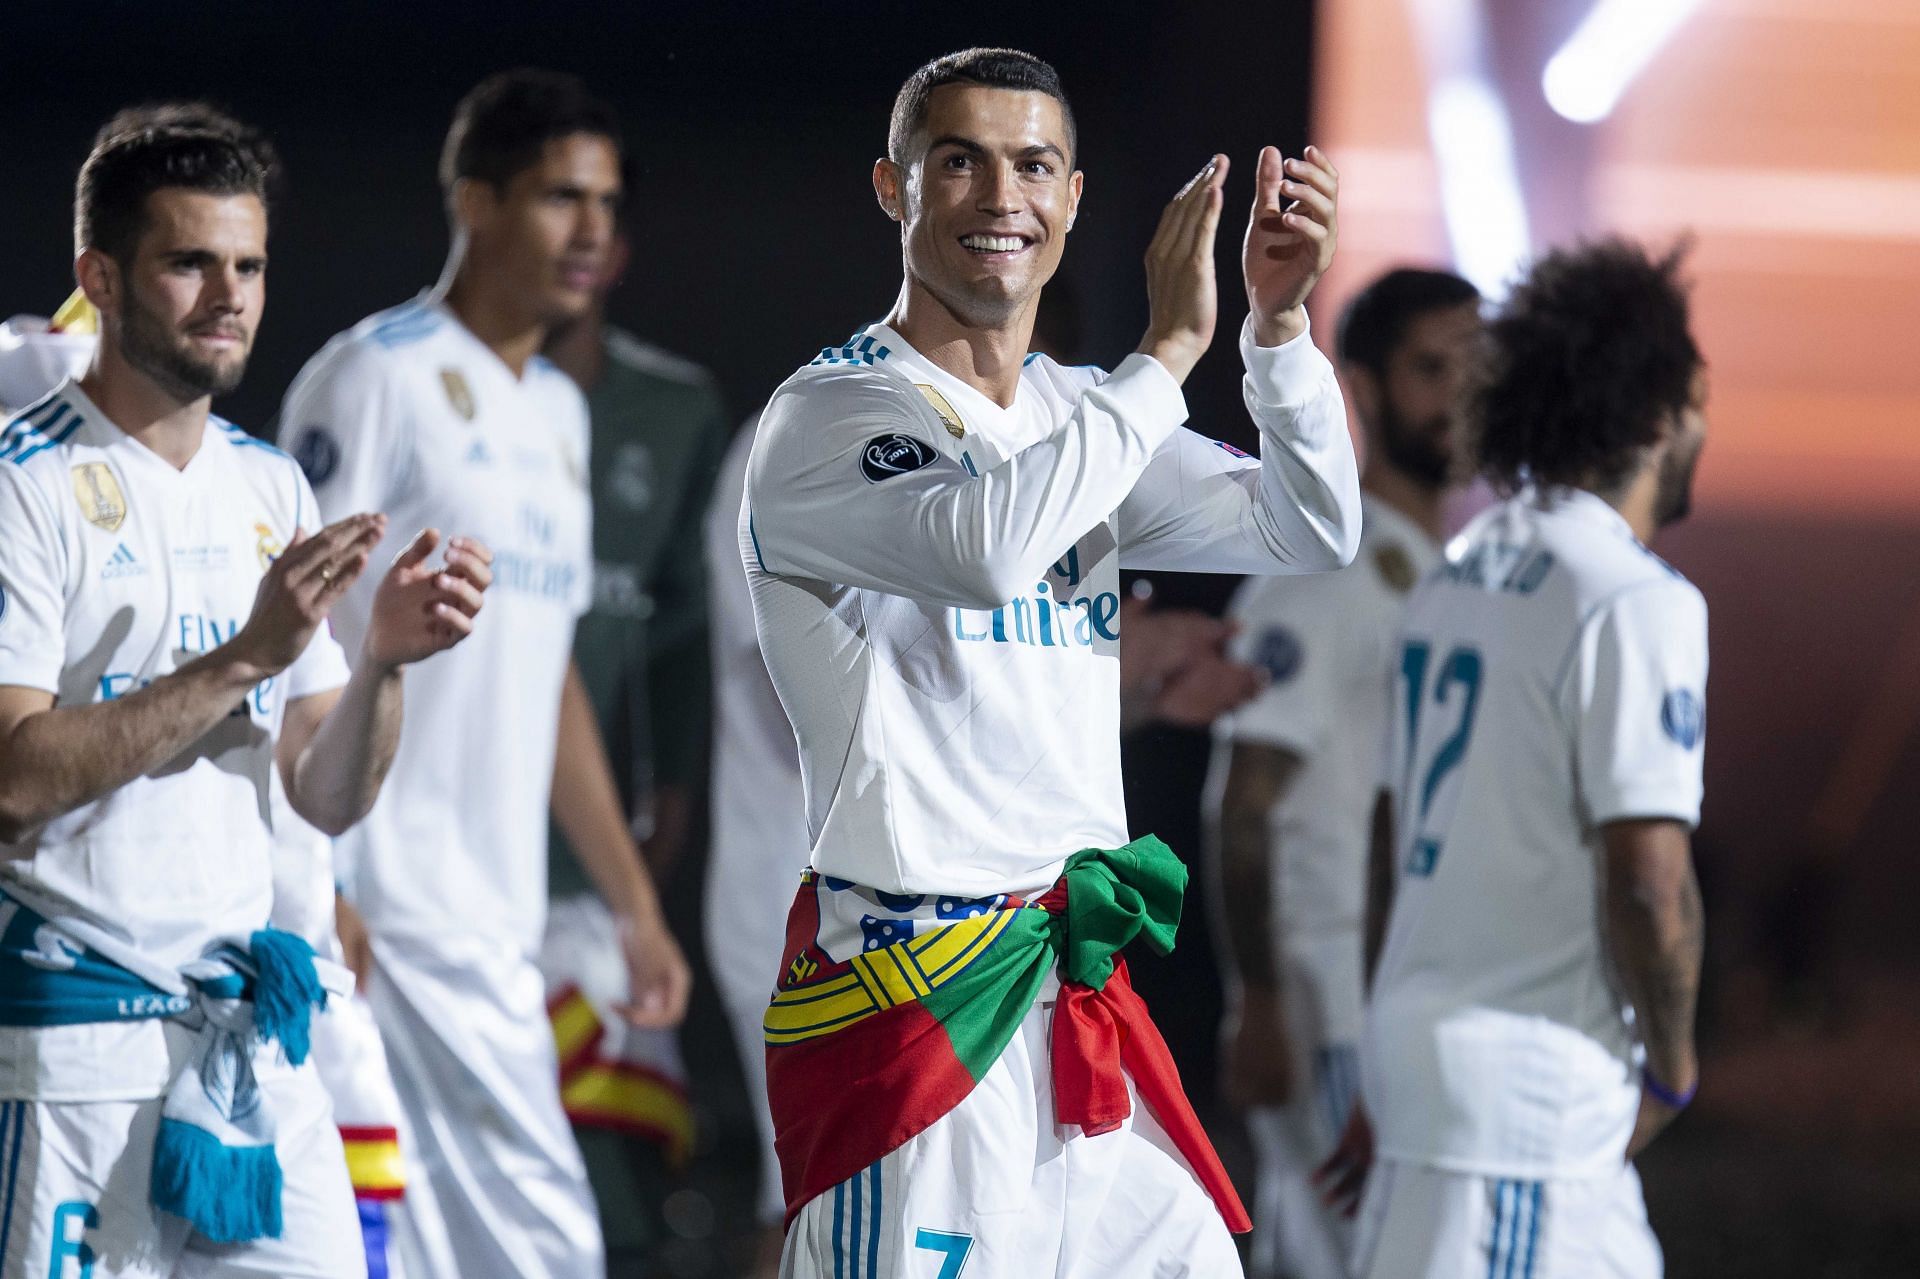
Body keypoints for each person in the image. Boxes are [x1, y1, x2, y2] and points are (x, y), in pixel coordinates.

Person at [744, 47, 1360, 1276]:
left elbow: (1311, 527)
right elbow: (987, 549)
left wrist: (1276, 331)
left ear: (1074, 198)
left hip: (1072, 994)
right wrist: (1168, 354)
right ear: (892, 187)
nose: (999, 196)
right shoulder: (830, 415)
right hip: (912, 1015)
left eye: (1032, 164)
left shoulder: (1085, 411)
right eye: (957, 161)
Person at [0, 105, 486, 1278]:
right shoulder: (24, 484)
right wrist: (243, 659)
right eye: (190, 263)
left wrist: (381, 665)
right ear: (99, 278)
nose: (231, 295)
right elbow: (12, 781)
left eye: (251, 265)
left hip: (248, 1049)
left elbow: (324, 792)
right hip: (78, 1051)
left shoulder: (270, 486)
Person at [278, 70, 690, 1279]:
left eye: (609, 204)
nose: (595, 233)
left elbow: (544, 670)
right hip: (384, 912)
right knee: (547, 1247)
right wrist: (321, 881)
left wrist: (633, 900)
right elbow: (291, 641)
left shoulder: (560, 411)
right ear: (475, 199)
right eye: (563, 198)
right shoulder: (373, 375)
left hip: (494, 916)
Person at [1319, 240, 1709, 1278]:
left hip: (1427, 1081)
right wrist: (1671, 1067)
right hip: (1528, 1112)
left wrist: (1383, 1049)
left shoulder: (1458, 572)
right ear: (1662, 409)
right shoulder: (1634, 597)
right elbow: (1649, 881)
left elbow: (1388, 843)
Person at [1206, 266, 1478, 1278]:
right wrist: (1262, 998)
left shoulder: (1437, 569)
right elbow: (1245, 800)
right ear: (1359, 389)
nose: (1459, 394)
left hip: (1395, 992)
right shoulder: (1324, 569)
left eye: (1476, 369)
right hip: (1328, 997)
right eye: (1431, 369)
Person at [536, 226, 730, 1269]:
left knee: (612, 1192)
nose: (576, 240)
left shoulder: (678, 412)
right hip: (441, 878)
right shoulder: (403, 389)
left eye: (606, 214)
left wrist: (672, 823)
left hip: (601, 881)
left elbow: (689, 643)